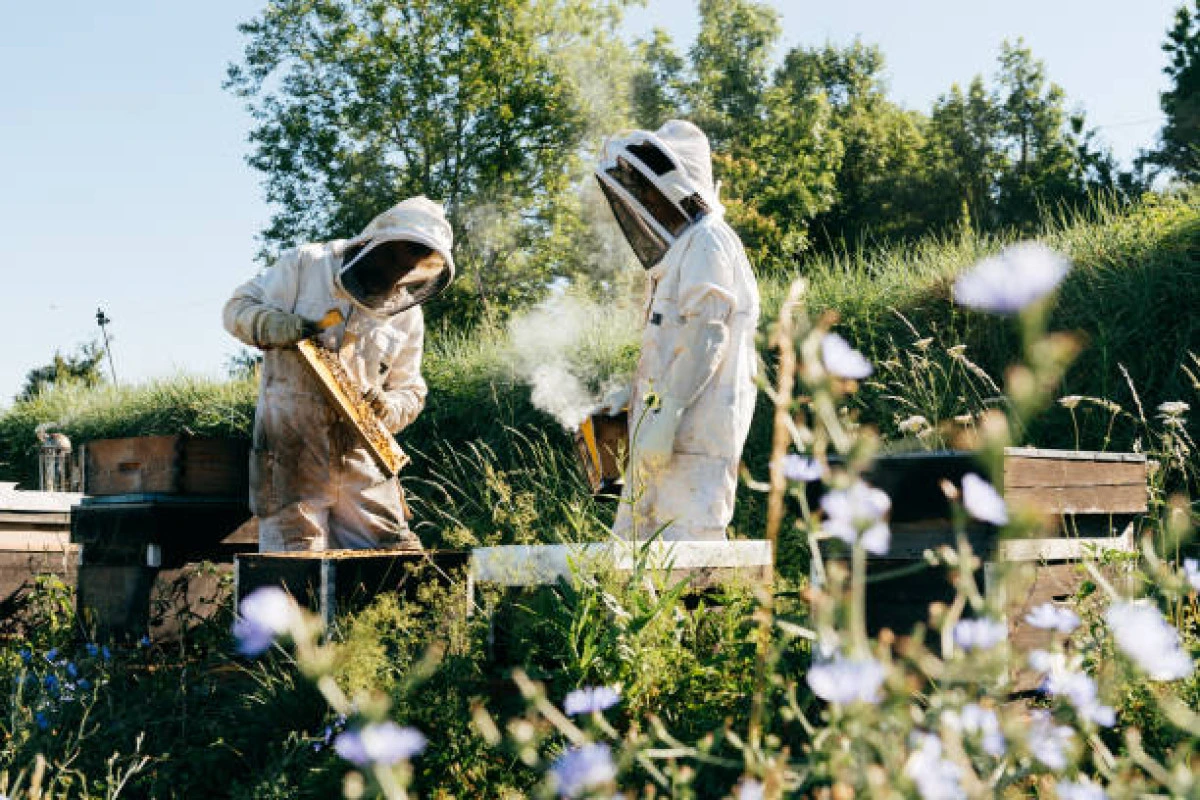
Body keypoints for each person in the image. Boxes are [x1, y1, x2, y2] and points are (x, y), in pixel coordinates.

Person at [223, 197, 454, 552]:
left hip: (363, 458)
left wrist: (386, 408)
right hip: (291, 449)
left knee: (390, 561)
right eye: (392, 258)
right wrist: (270, 324)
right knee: (297, 573)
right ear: (375, 242)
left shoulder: (406, 313)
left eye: (408, 267)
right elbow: (236, 309)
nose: (395, 272)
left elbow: (411, 389)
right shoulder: (305, 265)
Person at [595, 120, 760, 541]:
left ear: (675, 186)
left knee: (690, 550)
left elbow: (708, 334)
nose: (643, 199)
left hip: (697, 434)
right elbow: (672, 347)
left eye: (646, 188)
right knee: (640, 555)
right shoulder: (681, 253)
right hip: (668, 432)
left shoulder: (710, 241)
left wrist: (669, 412)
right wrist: (634, 403)